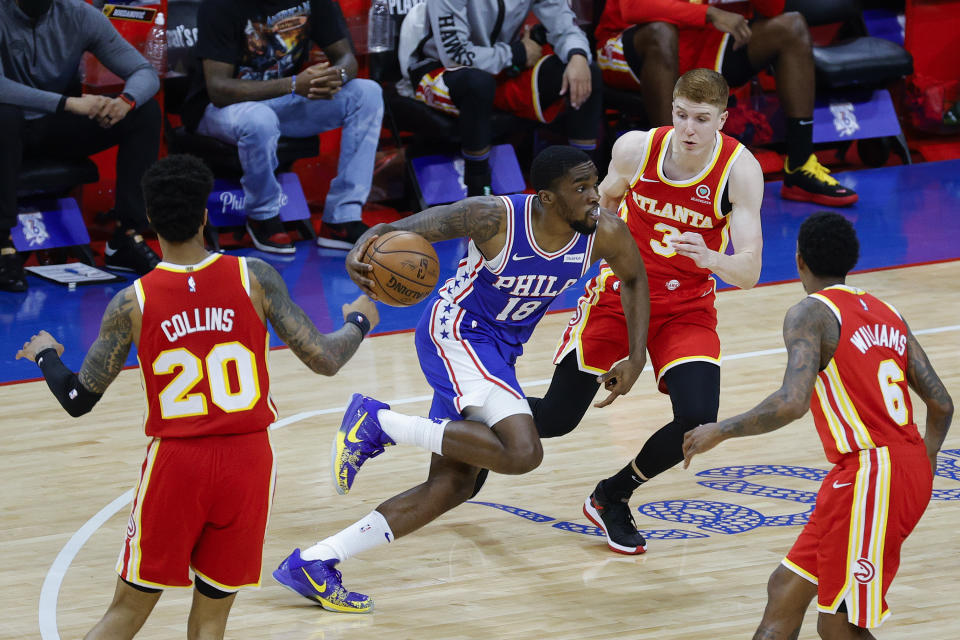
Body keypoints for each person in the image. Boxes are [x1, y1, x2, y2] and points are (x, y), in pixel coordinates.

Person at [15, 154, 380, 637]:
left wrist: (46, 355)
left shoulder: (132, 301)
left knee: (126, 612)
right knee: (211, 622)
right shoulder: (255, 277)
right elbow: (326, 359)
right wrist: (359, 320)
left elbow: (79, 399)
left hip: (178, 465)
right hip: (248, 464)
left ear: (149, 221)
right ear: (205, 216)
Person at [272, 145, 651, 609]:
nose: (595, 196)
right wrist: (360, 247)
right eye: (581, 188)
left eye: (594, 185)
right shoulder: (494, 217)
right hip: (457, 331)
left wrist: (635, 357)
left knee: (452, 486)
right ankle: (378, 423)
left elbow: (633, 278)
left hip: (498, 352)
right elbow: (401, 228)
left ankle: (314, 562)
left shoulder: (603, 234)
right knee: (523, 450)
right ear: (547, 198)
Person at [682, 211, 953, 640]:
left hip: (873, 474)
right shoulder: (887, 311)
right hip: (872, 474)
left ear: (799, 260)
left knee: (838, 626)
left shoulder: (811, 313)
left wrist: (721, 429)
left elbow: (792, 403)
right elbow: (940, 403)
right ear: (851, 260)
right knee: (786, 588)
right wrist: (926, 461)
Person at [528, 68, 763, 555]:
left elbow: (749, 271)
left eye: (702, 118)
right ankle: (466, 417)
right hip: (620, 295)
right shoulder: (637, 149)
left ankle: (612, 494)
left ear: (722, 118)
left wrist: (711, 257)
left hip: (687, 306)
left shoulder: (739, 170)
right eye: (681, 115)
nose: (689, 129)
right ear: (671, 109)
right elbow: (602, 205)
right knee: (555, 418)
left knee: (699, 419)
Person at [594, 0, 858, 207]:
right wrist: (710, 13)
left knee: (791, 26)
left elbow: (773, 8)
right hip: (630, 40)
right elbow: (635, 8)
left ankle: (800, 166)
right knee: (660, 33)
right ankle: (670, 173)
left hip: (701, 38)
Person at [183, 0, 384, 254]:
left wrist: (336, 75)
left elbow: (346, 58)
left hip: (284, 99)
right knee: (260, 119)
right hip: (219, 108)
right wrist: (292, 85)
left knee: (367, 93)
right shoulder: (221, 6)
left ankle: (342, 219)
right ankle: (262, 215)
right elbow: (219, 89)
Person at [0, 0, 163, 292]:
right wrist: (66, 103)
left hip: (53, 127)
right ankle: (2, 244)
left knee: (144, 112)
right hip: (9, 127)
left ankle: (125, 236)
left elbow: (144, 71)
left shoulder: (79, 15)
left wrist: (125, 102)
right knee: (4, 114)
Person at [399, 0, 604, 196]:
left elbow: (565, 27)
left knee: (587, 70)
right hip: (441, 69)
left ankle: (582, 184)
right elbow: (455, 55)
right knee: (478, 84)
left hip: (502, 67)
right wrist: (515, 54)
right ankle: (479, 192)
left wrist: (577, 55)